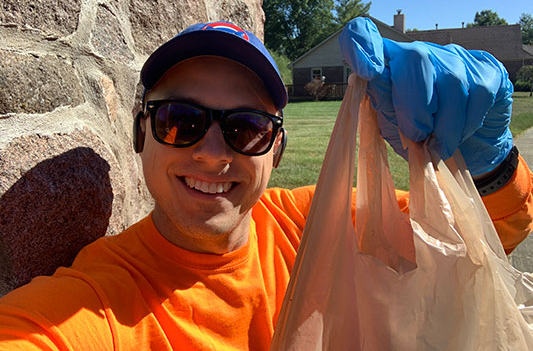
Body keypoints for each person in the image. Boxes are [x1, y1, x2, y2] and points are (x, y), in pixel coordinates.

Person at [0, 18, 531, 350]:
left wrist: (489, 160)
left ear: (275, 150)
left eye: (246, 129)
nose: (211, 153)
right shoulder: (97, 299)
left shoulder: (313, 225)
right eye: (180, 120)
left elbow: (480, 242)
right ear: (143, 132)